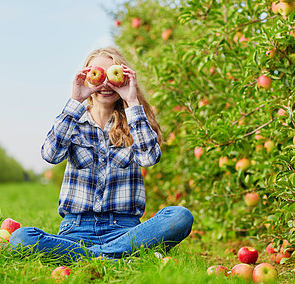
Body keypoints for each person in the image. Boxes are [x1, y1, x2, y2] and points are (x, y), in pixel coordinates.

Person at [10, 47, 193, 261]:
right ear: (88, 78)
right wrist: (75, 101)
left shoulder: (134, 123)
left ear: (123, 78)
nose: (105, 83)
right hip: (76, 230)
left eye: (112, 76)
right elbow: (50, 154)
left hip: (124, 230)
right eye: (99, 76)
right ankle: (114, 256)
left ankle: (89, 257)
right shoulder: (73, 121)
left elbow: (149, 158)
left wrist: (132, 101)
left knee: (180, 216)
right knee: (21, 238)